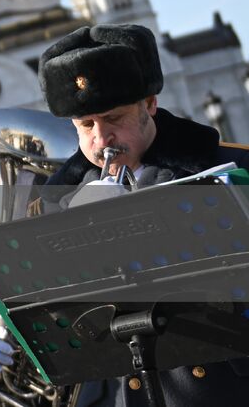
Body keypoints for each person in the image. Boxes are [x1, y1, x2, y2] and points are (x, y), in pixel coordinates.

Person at [33, 24, 249, 406]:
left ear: (149, 104)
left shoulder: (232, 166)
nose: (101, 141)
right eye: (86, 126)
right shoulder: (56, 201)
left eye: (113, 119)